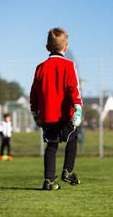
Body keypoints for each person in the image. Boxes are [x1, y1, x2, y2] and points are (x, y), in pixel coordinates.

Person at [30, 28, 83, 190]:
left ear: (47, 47)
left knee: (51, 146)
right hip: (66, 114)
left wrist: (35, 112)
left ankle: (48, 181)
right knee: (73, 138)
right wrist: (78, 109)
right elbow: (73, 88)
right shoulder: (69, 65)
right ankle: (67, 171)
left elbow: (34, 93)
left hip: (47, 115)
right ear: (65, 47)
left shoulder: (40, 68)